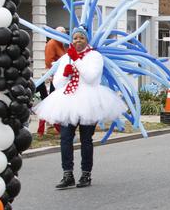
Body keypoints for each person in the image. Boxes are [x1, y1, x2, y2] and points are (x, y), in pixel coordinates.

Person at [35, 27, 123, 189]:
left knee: (86, 139)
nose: (77, 41)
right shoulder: (66, 57)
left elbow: (91, 77)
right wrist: (66, 74)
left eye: (81, 38)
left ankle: (85, 174)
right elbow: (57, 83)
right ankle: (67, 174)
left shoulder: (95, 56)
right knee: (65, 138)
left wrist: (76, 61)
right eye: (75, 38)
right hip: (68, 100)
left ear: (87, 40)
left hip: (88, 101)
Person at [38, 26, 68, 136]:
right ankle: (51, 125)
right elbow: (49, 61)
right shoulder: (52, 44)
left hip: (64, 77)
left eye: (64, 32)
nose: (63, 34)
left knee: (55, 101)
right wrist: (51, 74)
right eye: (61, 33)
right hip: (56, 77)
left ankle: (53, 124)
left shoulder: (64, 44)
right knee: (52, 101)